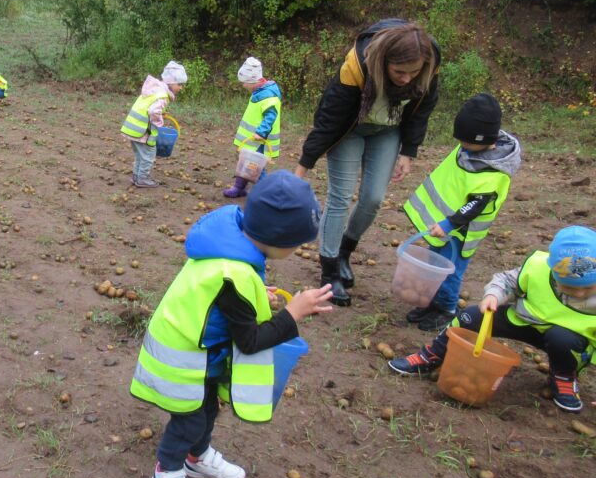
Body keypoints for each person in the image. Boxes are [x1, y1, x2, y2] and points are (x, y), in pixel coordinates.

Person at [130, 171, 333, 478]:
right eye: (298, 244)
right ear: (279, 239)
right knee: (191, 417)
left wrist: (256, 293)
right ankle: (166, 470)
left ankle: (197, 457)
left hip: (201, 356)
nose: (298, 250)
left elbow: (228, 296)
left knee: (208, 409)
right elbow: (251, 341)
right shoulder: (234, 275)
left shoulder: (232, 244)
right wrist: (293, 313)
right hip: (182, 360)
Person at [295, 19, 441, 306]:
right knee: (340, 196)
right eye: (399, 72)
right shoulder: (356, 66)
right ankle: (329, 270)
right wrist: (303, 166)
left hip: (387, 130)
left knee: (373, 198)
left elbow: (422, 110)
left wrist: (408, 151)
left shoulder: (428, 65)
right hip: (349, 129)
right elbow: (330, 119)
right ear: (383, 61)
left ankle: (344, 252)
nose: (407, 79)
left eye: (414, 73)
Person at [389, 226, 596, 413]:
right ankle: (432, 355)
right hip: (526, 321)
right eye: (569, 288)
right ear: (552, 270)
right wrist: (493, 295)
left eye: (587, 289)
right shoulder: (538, 267)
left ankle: (563, 376)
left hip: (571, 339)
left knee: (562, 339)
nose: (579, 294)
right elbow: (507, 280)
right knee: (470, 316)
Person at [402, 93, 522, 330]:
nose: (462, 146)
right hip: (441, 226)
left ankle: (446, 309)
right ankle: (431, 303)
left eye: (467, 142)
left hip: (461, 231)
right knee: (435, 263)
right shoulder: (469, 150)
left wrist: (447, 224)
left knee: (451, 269)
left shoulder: (494, 171)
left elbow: (475, 206)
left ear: (487, 140)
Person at [120, 61, 186, 188]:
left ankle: (136, 176)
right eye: (180, 84)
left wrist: (161, 113)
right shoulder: (162, 96)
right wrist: (159, 123)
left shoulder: (154, 90)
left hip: (132, 129)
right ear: (171, 83)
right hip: (143, 131)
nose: (181, 88)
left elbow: (149, 107)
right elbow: (153, 111)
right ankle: (142, 178)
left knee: (140, 155)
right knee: (149, 154)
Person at [223, 55, 282, 199]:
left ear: (253, 81)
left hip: (259, 140)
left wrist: (261, 133)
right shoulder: (259, 92)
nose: (243, 85)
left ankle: (264, 195)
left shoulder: (268, 96)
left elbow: (271, 116)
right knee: (245, 161)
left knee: (256, 166)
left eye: (244, 83)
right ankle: (239, 188)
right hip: (251, 140)